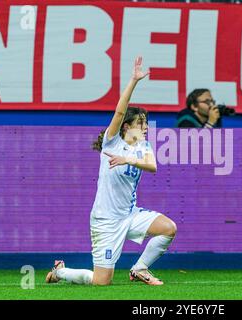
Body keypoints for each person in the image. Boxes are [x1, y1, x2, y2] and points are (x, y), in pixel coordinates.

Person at [45, 56, 177, 286]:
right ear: (127, 126)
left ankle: (140, 269)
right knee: (101, 282)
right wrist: (134, 81)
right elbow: (118, 112)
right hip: (105, 220)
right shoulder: (112, 141)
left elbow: (152, 166)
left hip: (130, 214)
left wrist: (127, 159)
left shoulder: (142, 146)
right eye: (141, 123)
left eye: (146, 123)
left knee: (168, 228)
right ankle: (60, 272)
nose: (146, 127)